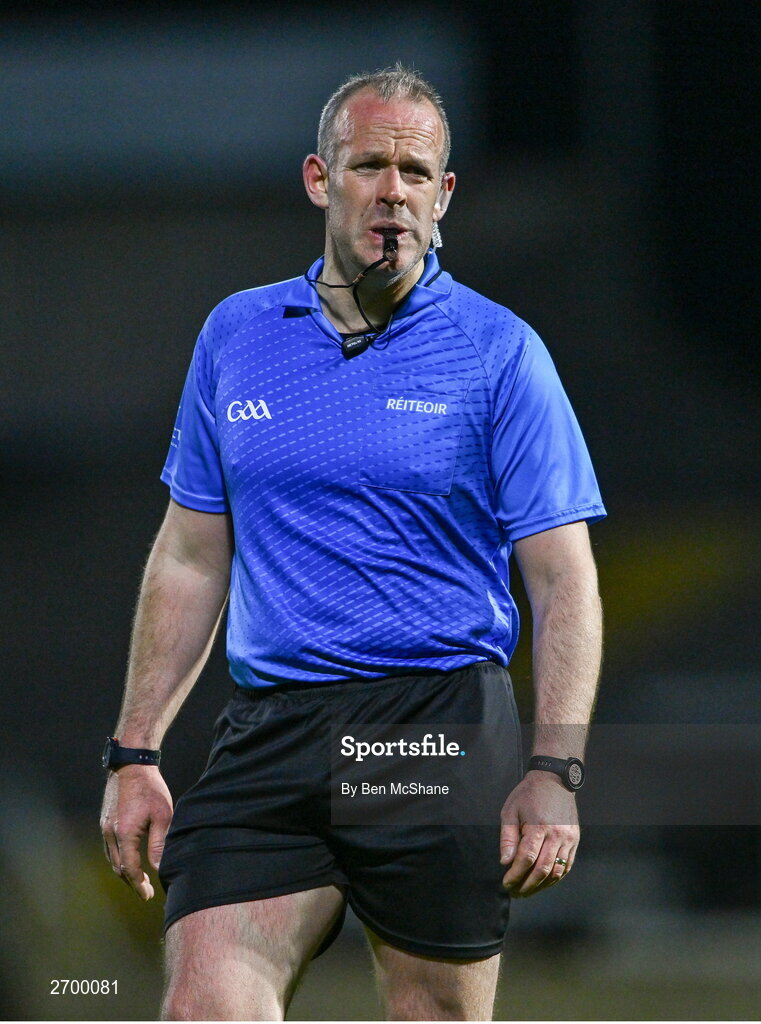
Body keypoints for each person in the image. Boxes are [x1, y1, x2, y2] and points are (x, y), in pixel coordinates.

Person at [100, 64, 605, 1021]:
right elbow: (191, 556)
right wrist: (134, 752)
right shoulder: (237, 335)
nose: (392, 192)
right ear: (318, 178)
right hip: (270, 728)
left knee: (427, 1014)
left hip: (428, 726)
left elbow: (562, 580)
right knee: (202, 1007)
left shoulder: (497, 352)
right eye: (369, 165)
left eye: (415, 173)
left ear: (443, 194)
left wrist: (553, 771)